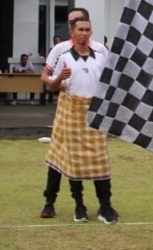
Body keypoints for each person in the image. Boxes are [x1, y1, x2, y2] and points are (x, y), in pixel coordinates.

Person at [44, 16, 119, 224]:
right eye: (80, 30)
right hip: (72, 112)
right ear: (72, 32)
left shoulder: (101, 56)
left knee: (100, 159)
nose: (84, 33)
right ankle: (79, 205)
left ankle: (105, 206)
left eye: (87, 30)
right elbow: (50, 85)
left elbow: (111, 80)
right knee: (73, 160)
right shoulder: (64, 56)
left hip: (95, 112)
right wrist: (60, 79)